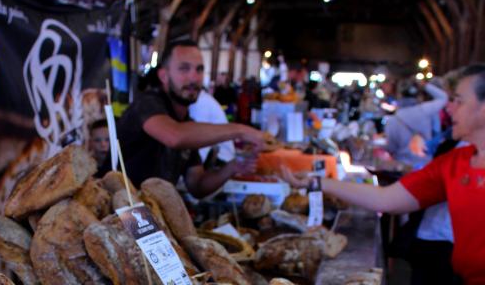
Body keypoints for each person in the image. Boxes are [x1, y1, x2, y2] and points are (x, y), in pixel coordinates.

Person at [278, 64, 485, 285]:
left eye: (458, 101)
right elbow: (386, 199)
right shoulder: (454, 163)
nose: (449, 108)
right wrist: (317, 182)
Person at [112, 39, 266, 198]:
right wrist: (239, 130)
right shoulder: (147, 104)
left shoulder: (186, 125)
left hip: (149, 216)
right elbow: (174, 136)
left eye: (199, 70)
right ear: (164, 75)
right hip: (119, 212)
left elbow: (197, 185)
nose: (193, 78)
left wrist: (233, 167)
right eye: (184, 69)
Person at [384, 81, 448, 168]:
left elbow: (391, 147)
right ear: (418, 96)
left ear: (399, 96)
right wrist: (425, 85)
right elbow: (443, 97)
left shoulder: (393, 120)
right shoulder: (425, 110)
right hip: (425, 165)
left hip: (402, 166)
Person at [189, 89, 236, 165]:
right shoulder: (201, 99)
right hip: (216, 159)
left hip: (221, 162)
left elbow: (200, 152)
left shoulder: (200, 102)